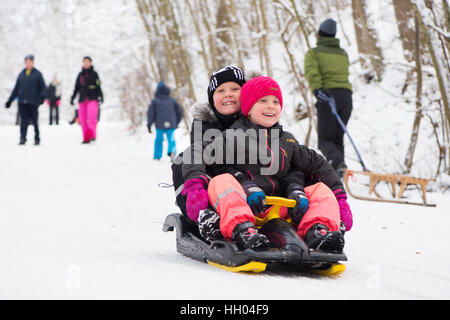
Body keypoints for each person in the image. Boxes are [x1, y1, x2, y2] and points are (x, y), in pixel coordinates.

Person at [182, 76, 352, 252]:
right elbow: (195, 153)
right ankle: (242, 229)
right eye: (263, 101)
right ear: (248, 108)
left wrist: (338, 197)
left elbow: (318, 164)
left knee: (319, 189)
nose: (271, 106)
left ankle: (318, 230)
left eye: (276, 102)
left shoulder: (287, 141)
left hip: (282, 208)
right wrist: (195, 186)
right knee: (221, 181)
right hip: (246, 205)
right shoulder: (233, 137)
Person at [171, 65, 246, 222]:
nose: (228, 95)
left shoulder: (257, 118)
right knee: (184, 161)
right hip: (216, 185)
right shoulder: (204, 124)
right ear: (212, 98)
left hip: (254, 185)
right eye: (221, 91)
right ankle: (202, 215)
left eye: (235, 89)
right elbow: (206, 162)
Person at [304, 18, 353, 178]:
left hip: (328, 96)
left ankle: (338, 166)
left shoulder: (314, 53)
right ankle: (339, 172)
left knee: (325, 140)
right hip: (346, 97)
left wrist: (317, 90)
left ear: (320, 34)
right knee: (337, 138)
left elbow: (312, 73)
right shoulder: (343, 53)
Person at [5, 54, 46, 145]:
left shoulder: (37, 74)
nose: (28, 63)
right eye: (26, 62)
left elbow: (43, 87)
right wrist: (10, 100)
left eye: (30, 61)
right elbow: (16, 89)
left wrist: (42, 97)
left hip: (33, 102)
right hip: (22, 102)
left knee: (35, 121)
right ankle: (23, 138)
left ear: (32, 62)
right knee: (23, 121)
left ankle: (37, 138)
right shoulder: (21, 74)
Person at [70, 56, 103, 144]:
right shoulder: (80, 75)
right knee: (83, 118)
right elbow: (76, 87)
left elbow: (98, 86)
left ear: (90, 63)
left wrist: (100, 96)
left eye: (88, 62)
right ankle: (86, 137)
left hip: (92, 97)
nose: (86, 63)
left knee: (92, 117)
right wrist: (73, 97)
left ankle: (92, 135)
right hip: (82, 98)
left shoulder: (94, 74)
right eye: (85, 62)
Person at [147, 81, 183, 160]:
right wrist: (177, 122)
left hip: (159, 124)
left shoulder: (155, 101)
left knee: (159, 140)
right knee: (171, 139)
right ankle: (172, 154)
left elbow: (151, 114)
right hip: (171, 123)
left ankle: (157, 156)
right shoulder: (172, 101)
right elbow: (179, 112)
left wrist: (149, 125)